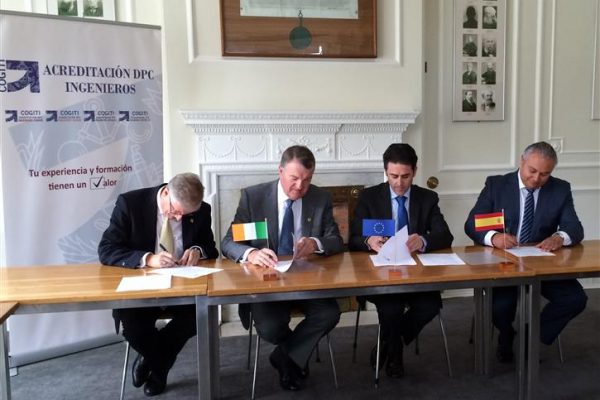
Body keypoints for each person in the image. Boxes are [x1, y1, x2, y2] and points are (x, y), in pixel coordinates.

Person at [221, 145, 344, 392]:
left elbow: (336, 240)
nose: (300, 186)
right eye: (294, 178)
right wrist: (251, 253)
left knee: (330, 313)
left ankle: (284, 357)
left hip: (307, 281)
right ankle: (295, 355)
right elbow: (228, 243)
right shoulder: (254, 198)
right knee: (270, 327)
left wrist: (315, 243)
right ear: (280, 171)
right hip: (266, 283)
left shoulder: (320, 198)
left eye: (307, 180)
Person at [464, 141, 587, 363]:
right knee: (500, 306)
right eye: (532, 170)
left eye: (545, 174)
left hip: (542, 265)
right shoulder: (497, 185)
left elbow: (575, 228)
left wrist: (559, 237)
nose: (537, 178)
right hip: (503, 263)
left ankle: (530, 337)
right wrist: (494, 238)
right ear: (522, 161)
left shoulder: (560, 189)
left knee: (575, 299)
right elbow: (472, 224)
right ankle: (506, 335)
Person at [98, 173, 219, 396]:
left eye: (185, 215)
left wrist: (197, 250)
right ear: (165, 193)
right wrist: (147, 259)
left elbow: (209, 247)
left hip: (183, 285)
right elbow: (107, 249)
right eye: (175, 211)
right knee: (134, 329)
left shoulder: (201, 210)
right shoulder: (130, 204)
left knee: (198, 317)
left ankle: (151, 360)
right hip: (141, 287)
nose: (179, 218)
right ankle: (161, 368)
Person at [349, 143, 453, 379]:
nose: (399, 183)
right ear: (386, 171)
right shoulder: (369, 197)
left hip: (416, 274)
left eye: (405, 176)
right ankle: (395, 355)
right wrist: (368, 241)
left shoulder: (427, 198)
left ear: (414, 171)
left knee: (430, 305)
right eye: (393, 176)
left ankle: (387, 343)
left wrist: (423, 240)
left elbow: (445, 235)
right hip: (380, 275)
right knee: (391, 307)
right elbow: (353, 238)